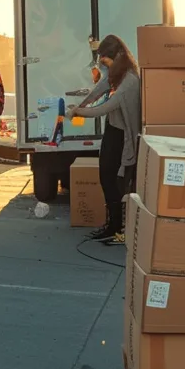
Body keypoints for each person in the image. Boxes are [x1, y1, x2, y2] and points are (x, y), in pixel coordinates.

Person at [69, 35, 142, 244]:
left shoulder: (129, 80)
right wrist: (80, 105)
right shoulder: (116, 73)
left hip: (122, 135)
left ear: (116, 56)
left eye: (105, 60)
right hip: (113, 129)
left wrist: (79, 113)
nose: (103, 64)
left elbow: (105, 107)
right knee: (105, 177)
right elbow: (98, 91)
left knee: (113, 181)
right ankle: (112, 225)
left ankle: (116, 227)